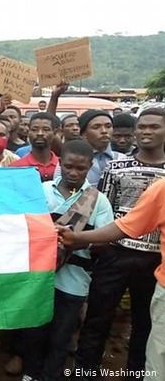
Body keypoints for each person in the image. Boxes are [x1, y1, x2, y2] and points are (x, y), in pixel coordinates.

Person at [71, 108, 165, 380]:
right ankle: (84, 371)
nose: (146, 132)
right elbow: (103, 206)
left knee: (145, 323)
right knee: (97, 318)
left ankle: (136, 372)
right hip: (115, 254)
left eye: (154, 127)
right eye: (142, 126)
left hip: (155, 260)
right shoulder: (116, 167)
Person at [22, 139, 114, 381]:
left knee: (61, 336)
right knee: (34, 331)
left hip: (74, 281)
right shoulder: (41, 192)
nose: (74, 173)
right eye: (69, 166)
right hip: (38, 277)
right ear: (60, 163)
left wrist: (76, 240)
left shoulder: (98, 201)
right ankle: (30, 373)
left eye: (81, 168)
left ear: (90, 166)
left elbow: (105, 241)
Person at [57, 178, 165, 381]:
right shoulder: (162, 189)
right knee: (160, 364)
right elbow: (125, 226)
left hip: (151, 270)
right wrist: (78, 238)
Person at [53, 110, 125, 187]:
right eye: (96, 127)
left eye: (108, 126)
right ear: (83, 133)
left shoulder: (123, 160)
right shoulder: (69, 161)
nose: (104, 131)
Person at [10, 113, 61, 182]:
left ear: (54, 132)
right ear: (29, 132)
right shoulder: (16, 168)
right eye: (34, 129)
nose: (40, 133)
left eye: (46, 129)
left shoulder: (62, 166)